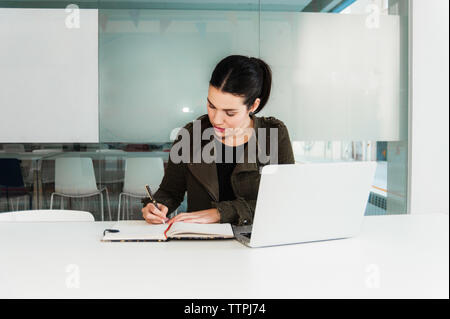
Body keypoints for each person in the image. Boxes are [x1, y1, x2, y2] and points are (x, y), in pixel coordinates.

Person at [141, 55, 294, 226]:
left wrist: (221, 213)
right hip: (202, 245)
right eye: (211, 106)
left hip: (259, 243)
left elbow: (284, 201)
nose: (217, 119)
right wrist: (157, 207)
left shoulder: (273, 134)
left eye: (230, 113)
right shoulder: (191, 135)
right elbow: (169, 192)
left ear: (253, 106)